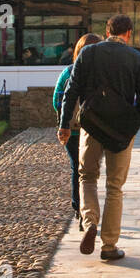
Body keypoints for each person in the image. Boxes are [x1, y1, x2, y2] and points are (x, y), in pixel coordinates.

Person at [58, 14, 140, 262]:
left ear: (107, 31)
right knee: (114, 187)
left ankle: (89, 222)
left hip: (92, 126)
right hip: (121, 130)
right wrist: (132, 127)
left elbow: (71, 90)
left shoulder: (88, 54)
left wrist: (65, 125)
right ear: (128, 33)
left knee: (87, 176)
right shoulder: (136, 58)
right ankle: (109, 245)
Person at [53, 33, 100, 229]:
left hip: (72, 130)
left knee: (77, 169)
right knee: (91, 172)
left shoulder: (68, 72)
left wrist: (65, 121)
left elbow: (57, 100)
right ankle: (90, 212)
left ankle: (78, 209)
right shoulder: (102, 72)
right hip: (96, 129)